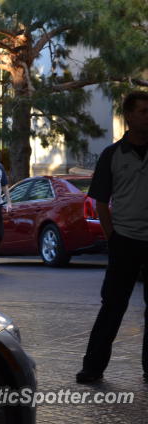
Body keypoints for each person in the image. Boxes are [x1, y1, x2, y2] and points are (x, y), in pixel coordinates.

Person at [77, 90, 148, 384]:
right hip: (126, 241)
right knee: (113, 307)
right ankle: (92, 368)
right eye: (144, 111)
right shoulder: (112, 155)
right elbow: (101, 202)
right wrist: (113, 237)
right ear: (129, 116)